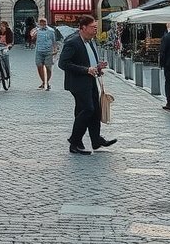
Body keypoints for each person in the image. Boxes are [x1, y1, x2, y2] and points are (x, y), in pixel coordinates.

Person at [58, 15, 116, 155]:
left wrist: (97, 67)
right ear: (83, 27)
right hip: (78, 82)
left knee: (94, 110)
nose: (96, 29)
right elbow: (63, 63)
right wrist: (86, 70)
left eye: (96, 27)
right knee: (87, 109)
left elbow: (87, 61)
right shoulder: (72, 42)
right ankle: (74, 141)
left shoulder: (90, 41)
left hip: (90, 80)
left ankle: (96, 140)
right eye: (93, 27)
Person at [32, 17, 61, 90]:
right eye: (41, 22)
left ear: (46, 23)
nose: (42, 24)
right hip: (39, 51)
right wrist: (34, 34)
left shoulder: (51, 31)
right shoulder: (37, 30)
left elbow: (54, 41)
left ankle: (46, 83)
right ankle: (44, 82)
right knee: (39, 66)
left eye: (44, 22)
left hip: (48, 51)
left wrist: (55, 49)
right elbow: (32, 37)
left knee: (48, 68)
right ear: (39, 23)